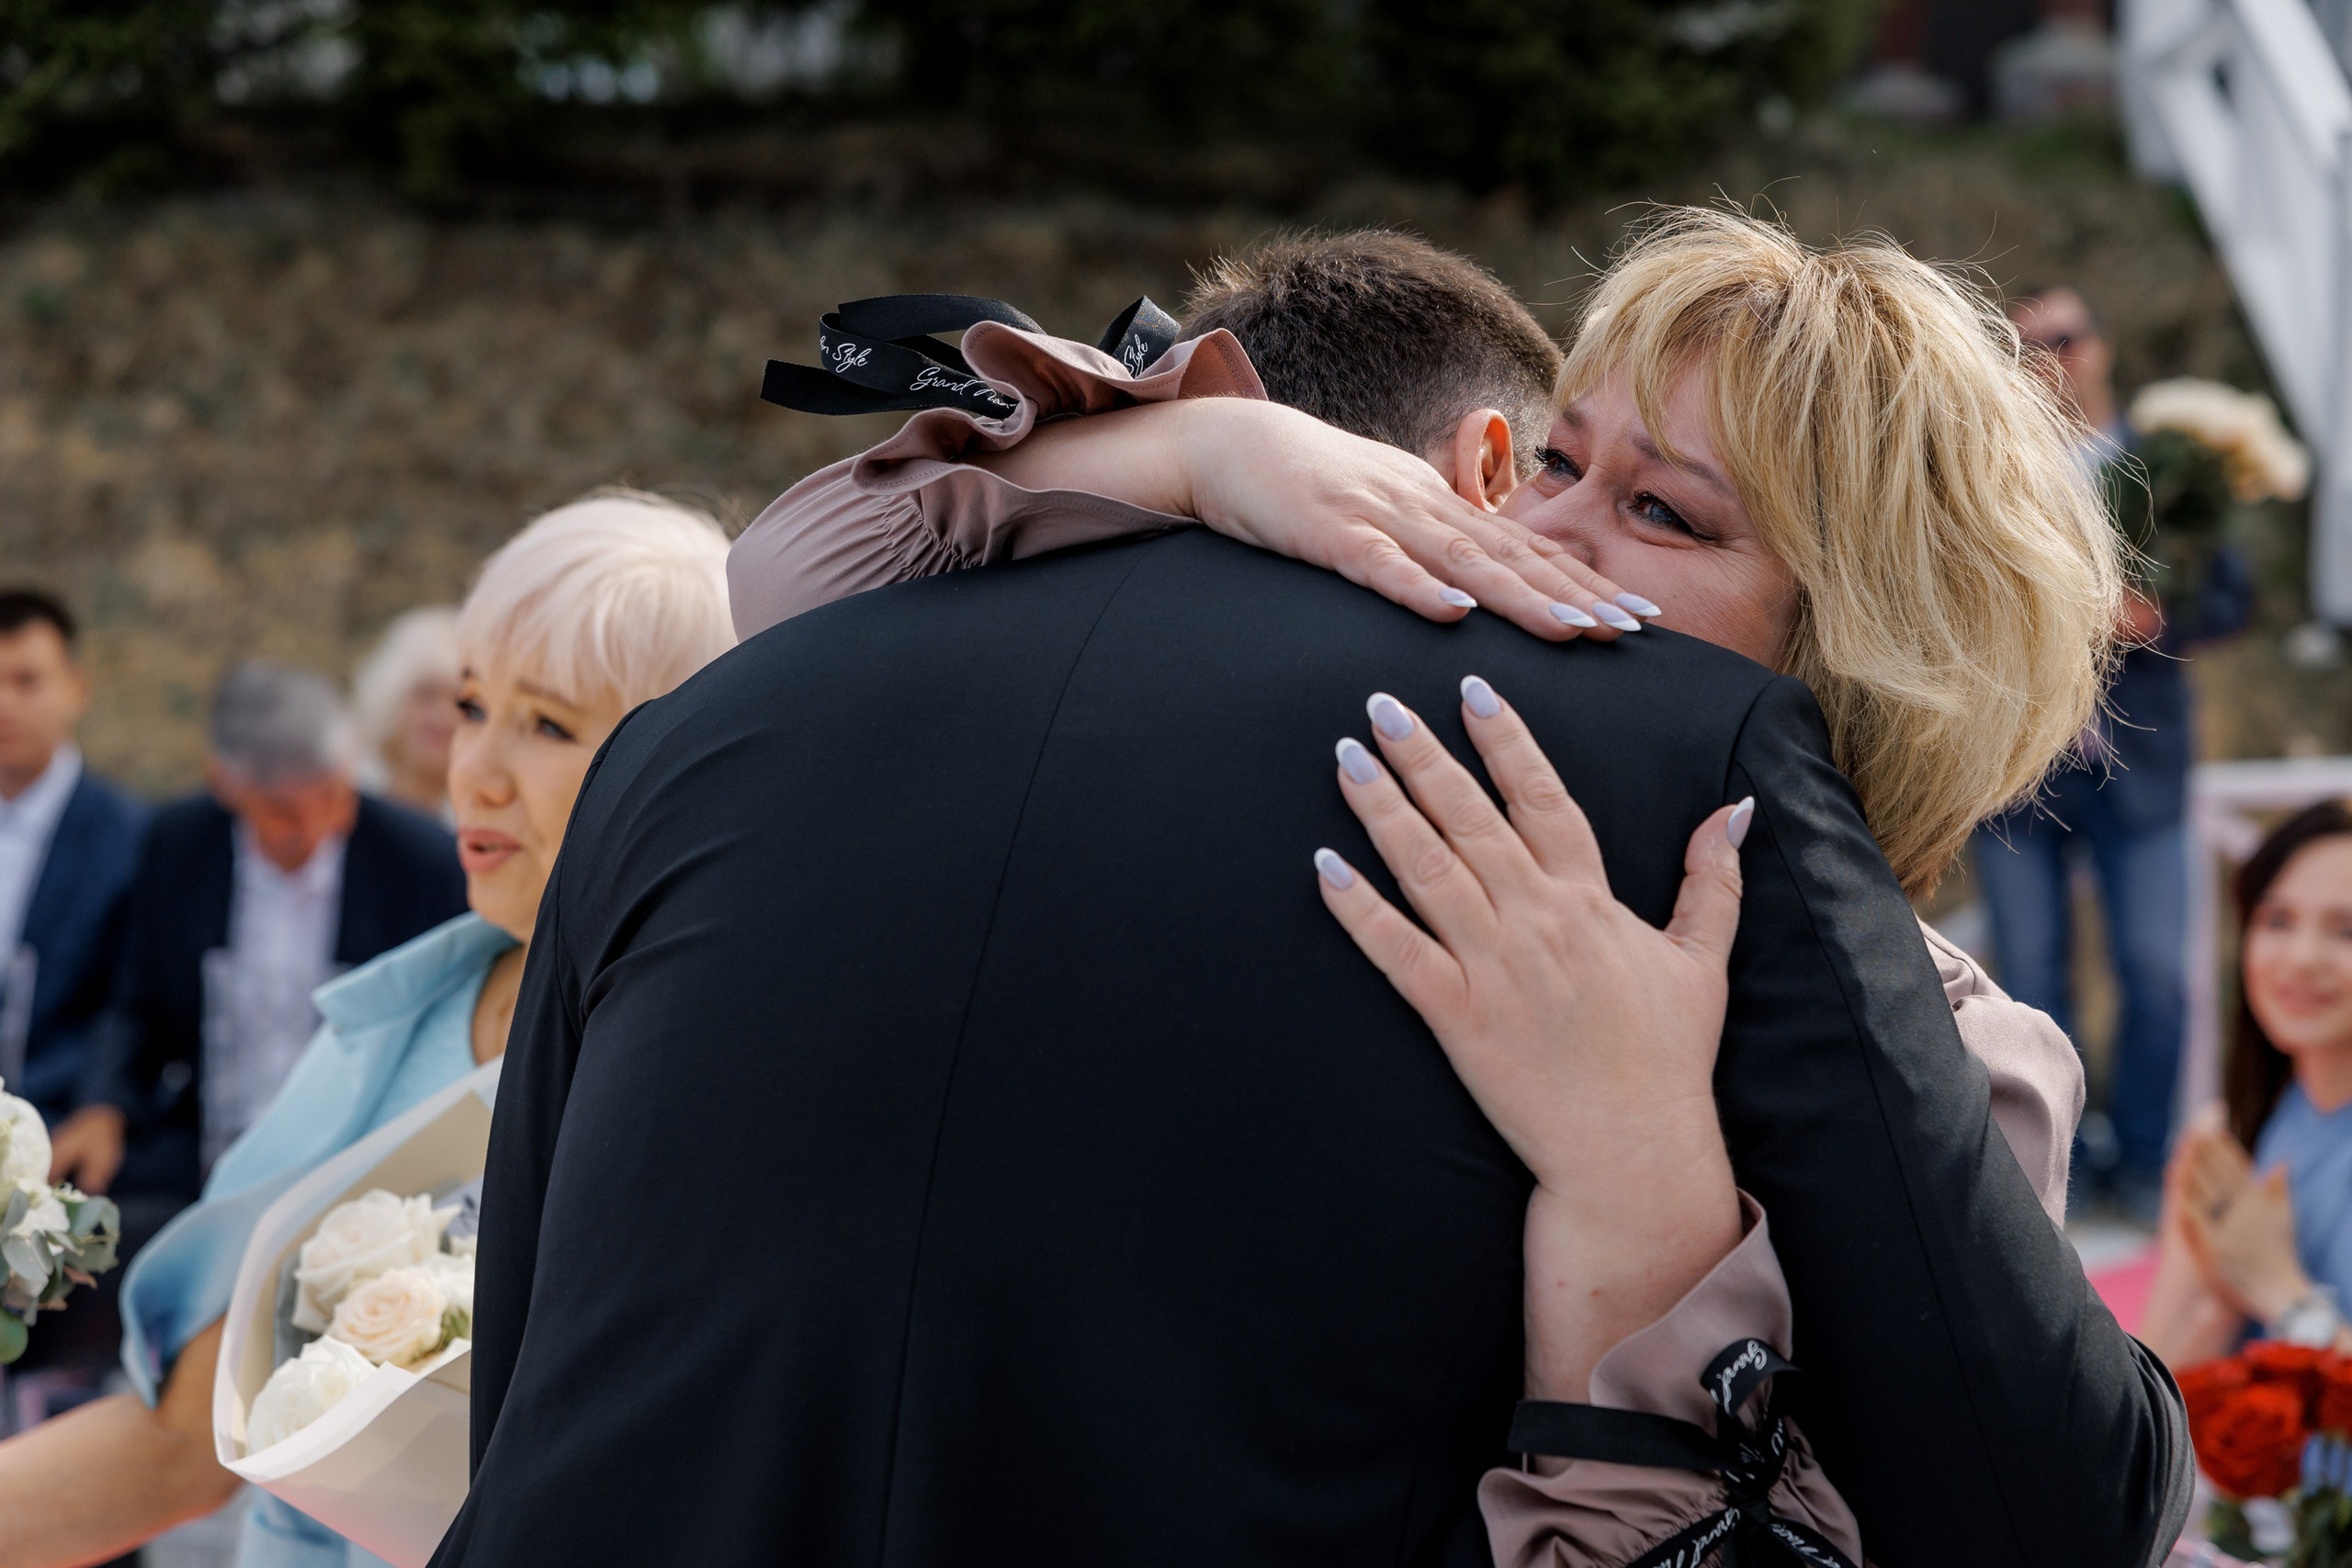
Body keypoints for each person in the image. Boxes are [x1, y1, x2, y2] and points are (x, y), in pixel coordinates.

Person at [446, 215, 2180, 1568]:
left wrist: (1642, 1199)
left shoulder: (1945, 1045)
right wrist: (1181, 459)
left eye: (1661, 510)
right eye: (1557, 463)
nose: (1544, 533)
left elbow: (2029, 1505)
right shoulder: (1347, 769)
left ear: (1868, 656)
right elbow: (791, 582)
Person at [0, 492, 737, 1568]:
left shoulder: (738, 1074)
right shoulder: (392, 1024)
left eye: (548, 725)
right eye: (475, 707)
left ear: (696, 757)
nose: (473, 771)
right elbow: (182, 1445)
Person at [1970, 286, 2254, 1219]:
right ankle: (2053, 1166)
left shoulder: (2165, 465)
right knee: (2027, 977)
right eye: (2026, 345)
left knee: (2159, 975)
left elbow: (2232, 596)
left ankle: (2141, 1163)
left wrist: (2157, 619)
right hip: (2019, 769)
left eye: (2063, 337)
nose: (2048, 357)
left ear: (2097, 345)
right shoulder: (1983, 471)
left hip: (2143, 765)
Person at [48, 665, 466, 1208]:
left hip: (360, 1165)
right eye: (285, 814)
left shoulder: (421, 863)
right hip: (207, 1150)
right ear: (226, 783)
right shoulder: (180, 843)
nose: (317, 829)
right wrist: (103, 1105)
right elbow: (137, 1004)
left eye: (336, 797)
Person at [2142, 800, 2352, 1369]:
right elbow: (2156, 1381)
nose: (2302, 958)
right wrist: (2217, 1297)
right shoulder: (2227, 1136)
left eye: (2347, 931)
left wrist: (2279, 1289)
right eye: (2278, 921)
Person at [0, 589, 147, 1385]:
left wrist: (102, 1104)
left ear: (75, 689)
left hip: (61, 1125)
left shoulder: (130, 837)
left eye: (26, 679)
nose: (5, 703)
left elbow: (132, 999)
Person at [351, 608, 462, 820]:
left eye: (461, 703)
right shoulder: (344, 813)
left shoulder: (475, 840)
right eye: (426, 696)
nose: (443, 716)